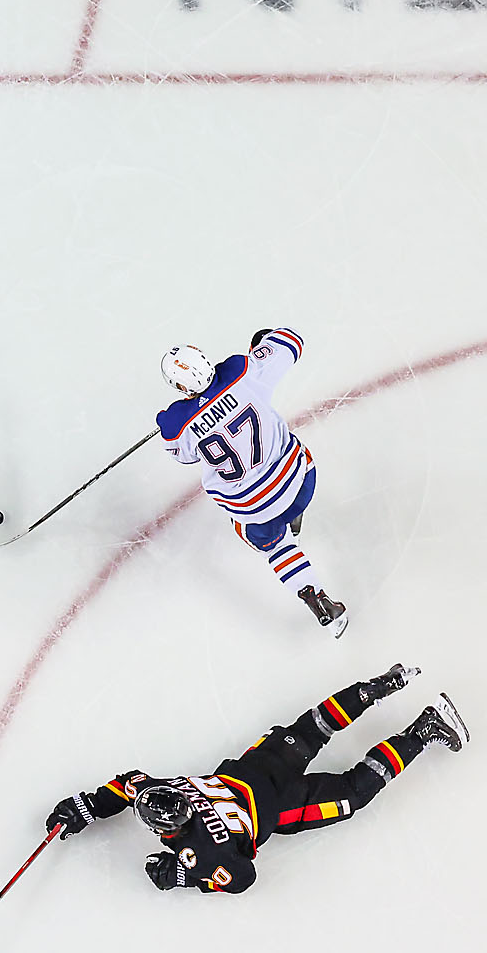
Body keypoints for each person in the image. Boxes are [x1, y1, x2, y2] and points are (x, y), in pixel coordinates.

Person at [44, 664, 468, 894]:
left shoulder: (202, 852)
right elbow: (125, 785)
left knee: (354, 792)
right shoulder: (166, 789)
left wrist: (180, 875)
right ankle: (379, 686)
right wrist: (86, 806)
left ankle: (424, 728)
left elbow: (242, 878)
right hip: (254, 769)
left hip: (287, 803)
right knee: (313, 727)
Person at [157, 328, 347, 635]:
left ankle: (315, 594)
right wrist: (262, 344)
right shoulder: (241, 370)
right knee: (289, 452)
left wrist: (182, 417)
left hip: (255, 510)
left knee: (274, 544)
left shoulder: (174, 424)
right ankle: (293, 513)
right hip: (300, 484)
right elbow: (292, 341)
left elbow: (183, 455)